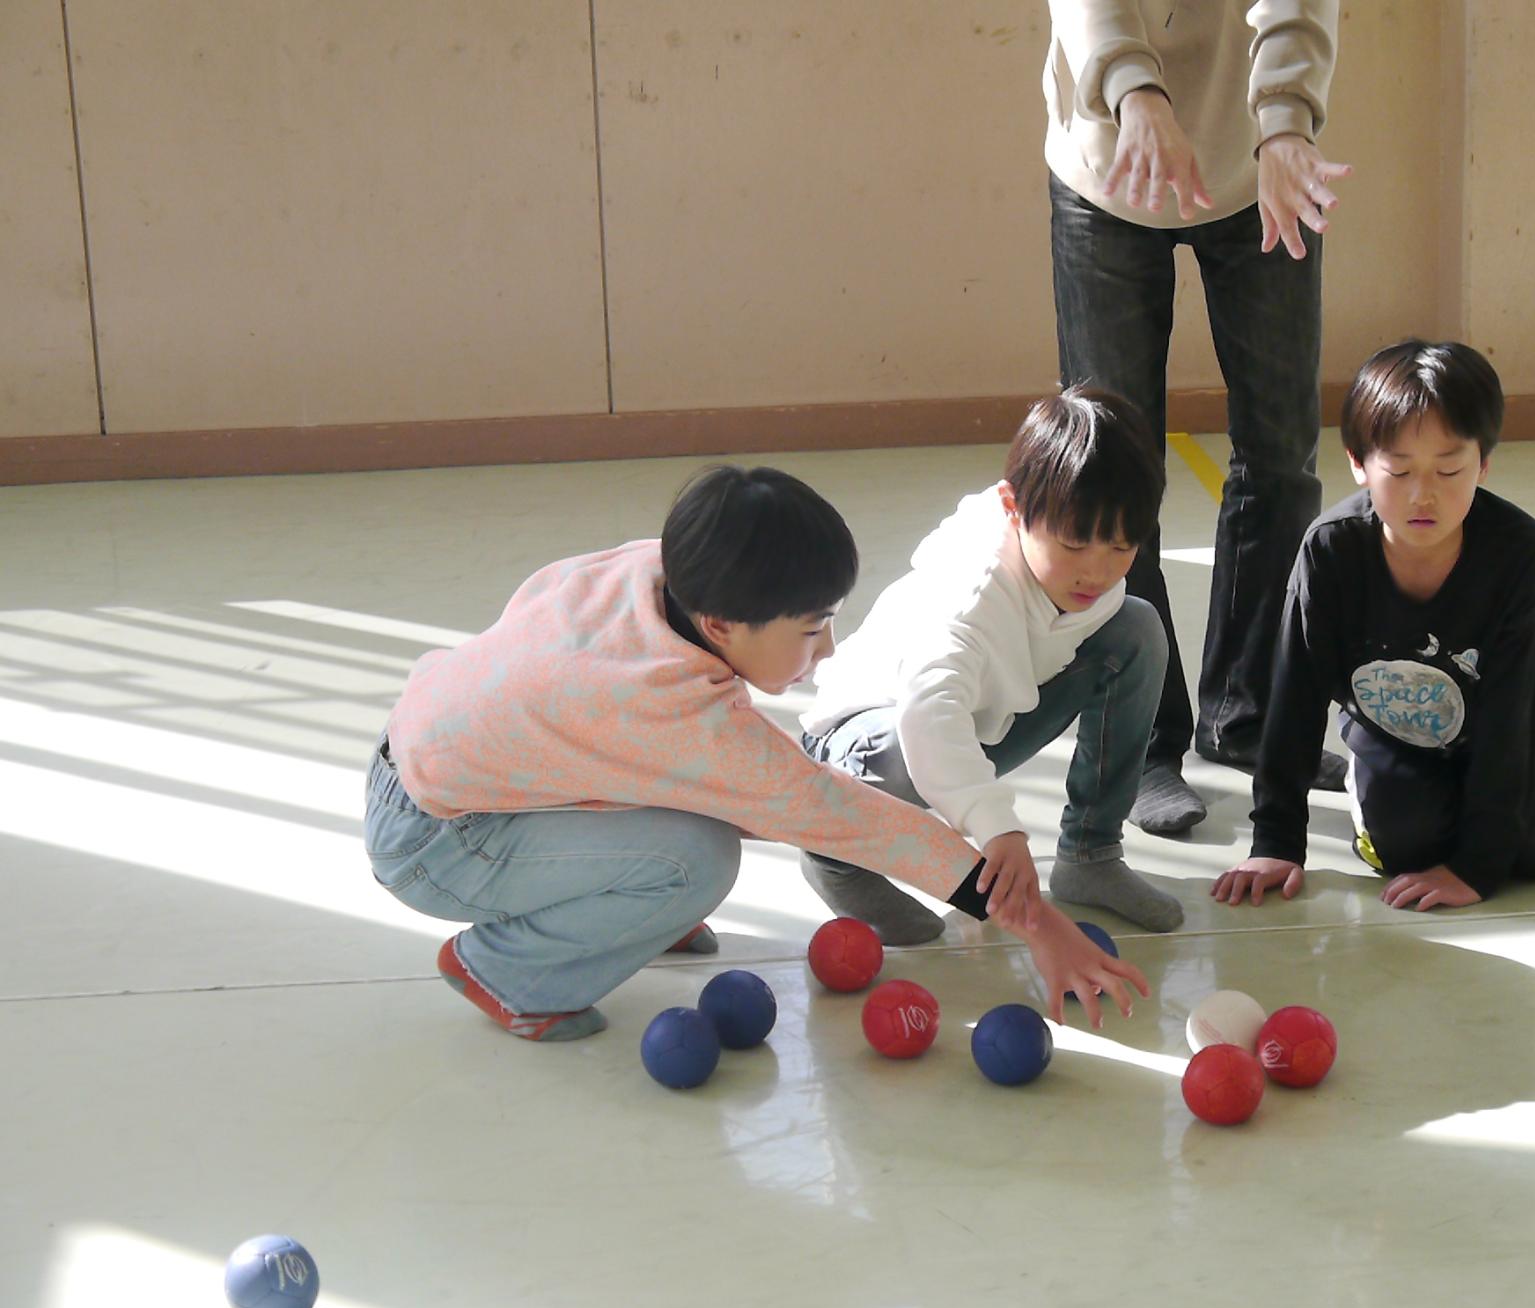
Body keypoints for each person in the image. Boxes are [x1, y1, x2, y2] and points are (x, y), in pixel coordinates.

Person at [365, 466, 1146, 1040]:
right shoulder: (679, 718)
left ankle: (623, 906)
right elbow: (839, 815)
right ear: (721, 626)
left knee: (694, 797)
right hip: (437, 839)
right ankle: (508, 972)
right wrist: (1037, 922)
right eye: (810, 628)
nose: (828, 646)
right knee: (697, 863)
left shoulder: (655, 570)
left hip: (437, 762)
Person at [1043, 0, 1350, 836]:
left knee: (1282, 455)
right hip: (1108, 157)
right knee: (1110, 468)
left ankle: (1246, 718)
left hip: (1259, 162)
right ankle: (1140, 740)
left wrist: (1286, 123)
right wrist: (1134, 91)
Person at [1210, 340, 1535, 913]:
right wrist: (1277, 842)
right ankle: (1371, 783)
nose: (1423, 495)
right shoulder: (1330, 550)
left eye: (1450, 469)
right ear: (1358, 462)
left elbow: (1512, 704)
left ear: (1484, 463)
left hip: (1500, 728)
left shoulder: (1517, 549)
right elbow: (1295, 696)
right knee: (1402, 847)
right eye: (1399, 469)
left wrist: (1476, 867)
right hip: (1394, 729)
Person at [799, 387, 1185, 945]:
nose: (1097, 572)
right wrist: (997, 828)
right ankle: (834, 854)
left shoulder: (1086, 573)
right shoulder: (970, 594)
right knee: (913, 741)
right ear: (1013, 507)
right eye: (1074, 545)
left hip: (979, 719)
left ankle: (1091, 853)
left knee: (1137, 629)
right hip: (865, 741)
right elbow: (928, 715)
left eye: (1121, 547)